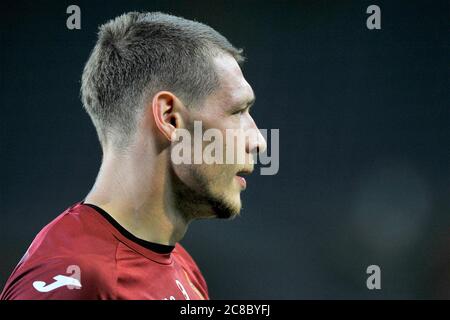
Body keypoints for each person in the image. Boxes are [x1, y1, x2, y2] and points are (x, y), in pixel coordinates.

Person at [0, 11, 266, 300]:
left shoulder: (182, 266)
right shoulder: (75, 280)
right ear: (170, 118)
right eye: (238, 111)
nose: (259, 142)